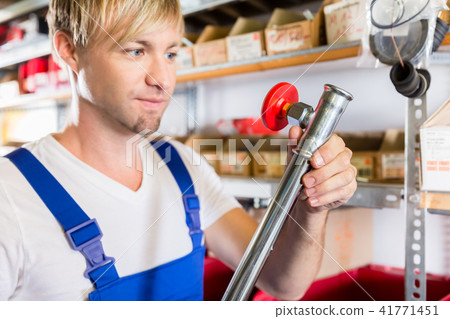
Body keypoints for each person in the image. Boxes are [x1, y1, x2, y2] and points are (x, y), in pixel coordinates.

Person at [0, 0, 357, 301]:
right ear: (69, 50)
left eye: (170, 53)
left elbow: (283, 281)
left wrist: (312, 207)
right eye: (136, 50)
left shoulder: (182, 166)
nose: (162, 80)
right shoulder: (10, 197)